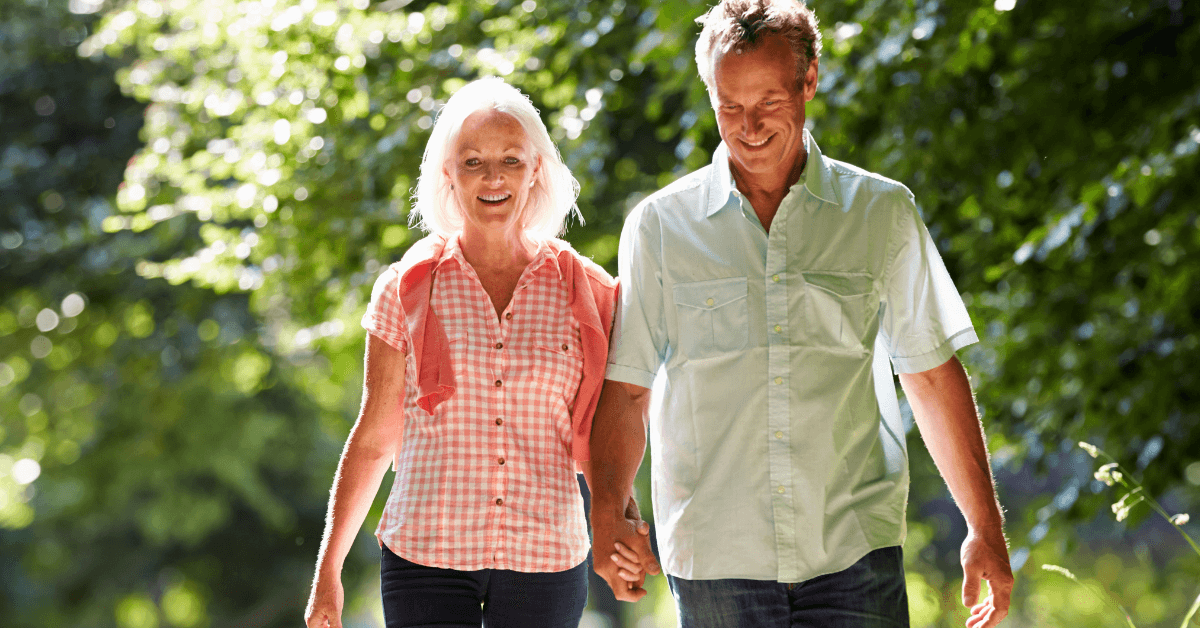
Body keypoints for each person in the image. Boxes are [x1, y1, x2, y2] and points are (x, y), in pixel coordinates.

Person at [588, 1, 1014, 627]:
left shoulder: (881, 213)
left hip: (854, 553)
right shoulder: (659, 227)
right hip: (715, 561)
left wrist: (984, 525)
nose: (749, 125)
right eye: (729, 106)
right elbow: (626, 392)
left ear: (808, 81)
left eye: (768, 101)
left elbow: (928, 372)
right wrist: (606, 512)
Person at [304, 76, 636, 628]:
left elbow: (614, 425)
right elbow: (373, 434)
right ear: (447, 174)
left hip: (546, 555)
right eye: (473, 161)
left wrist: (624, 525)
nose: (493, 178)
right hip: (424, 553)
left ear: (536, 170)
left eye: (510, 159)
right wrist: (328, 570)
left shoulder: (588, 292)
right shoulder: (405, 286)